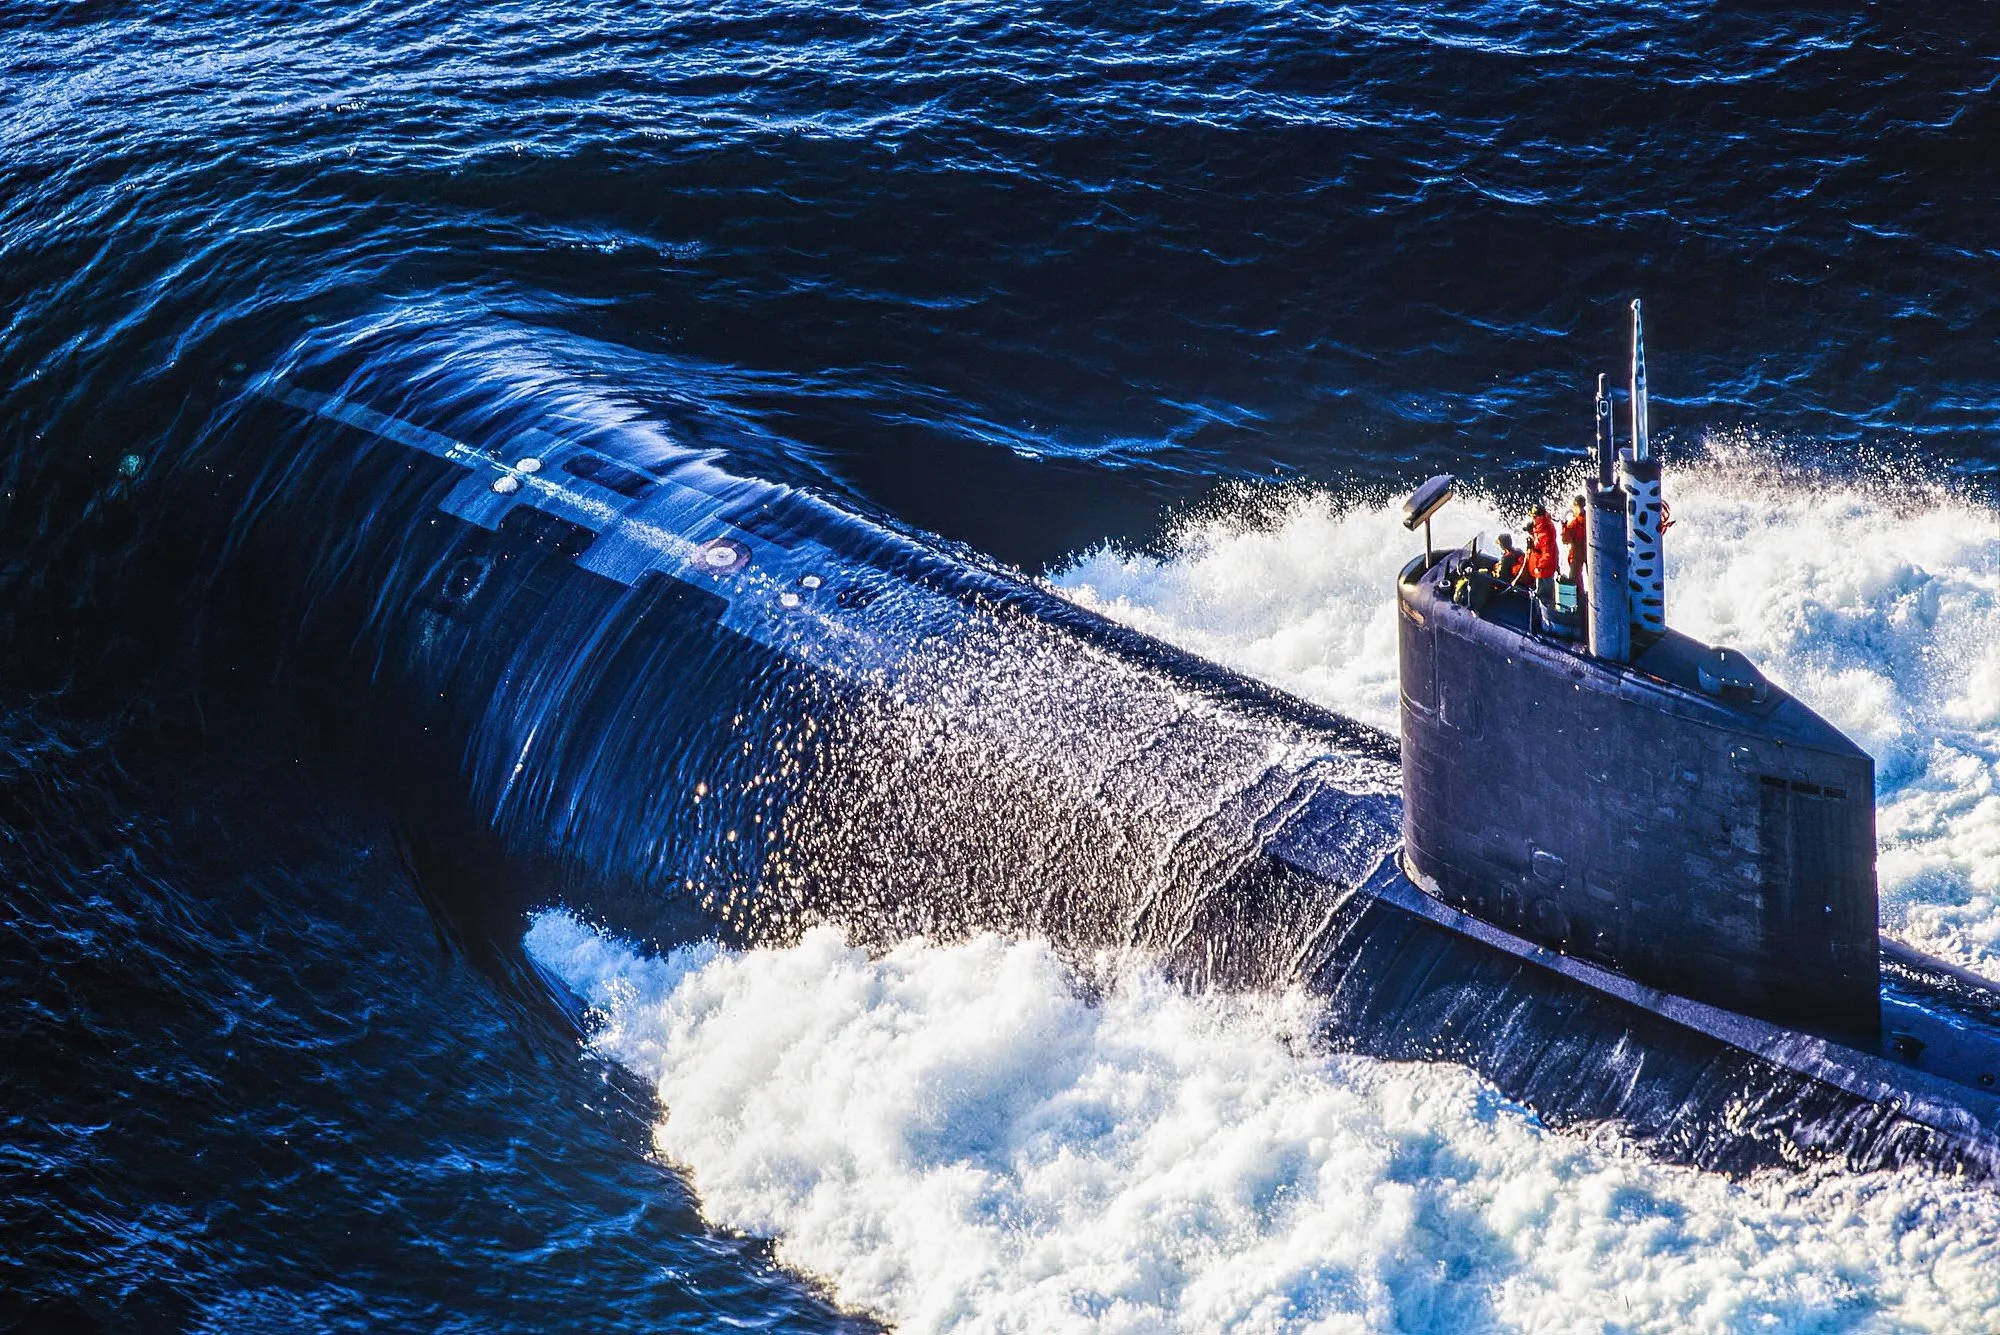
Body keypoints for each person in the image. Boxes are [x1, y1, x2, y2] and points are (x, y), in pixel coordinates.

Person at [1525, 503, 1560, 586]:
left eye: (1534, 517)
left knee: (1543, 593)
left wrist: (1540, 567)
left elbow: (1547, 553)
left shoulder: (1545, 532)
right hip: (1541, 567)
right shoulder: (1540, 528)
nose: (1532, 519)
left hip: (1544, 569)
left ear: (1540, 517)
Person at [1561, 495, 1588, 582]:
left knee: (1574, 578)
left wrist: (1564, 525)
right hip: (1589, 550)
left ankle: (1580, 594)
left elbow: (1565, 540)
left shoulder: (1574, 523)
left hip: (1577, 552)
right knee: (1592, 576)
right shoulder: (1591, 519)